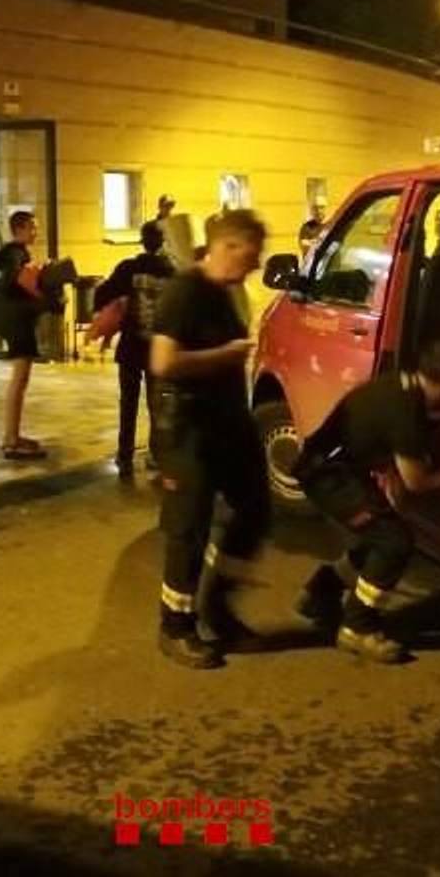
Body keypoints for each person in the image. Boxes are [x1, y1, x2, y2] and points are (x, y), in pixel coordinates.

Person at [150, 208, 272, 669]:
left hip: (227, 422)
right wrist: (225, 355)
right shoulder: (185, 292)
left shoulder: (227, 292)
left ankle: (217, 606)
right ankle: (175, 626)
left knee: (255, 508)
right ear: (228, 246)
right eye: (251, 255)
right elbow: (163, 362)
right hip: (188, 429)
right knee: (189, 528)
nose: (256, 265)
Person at [292, 339, 440, 663]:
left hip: (328, 467)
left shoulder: (402, 386)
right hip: (328, 478)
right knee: (394, 542)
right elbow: (416, 482)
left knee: (376, 536)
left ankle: (319, 594)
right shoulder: (406, 412)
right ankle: (358, 627)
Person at [94, 220, 177, 479]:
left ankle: (125, 456)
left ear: (142, 241)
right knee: (158, 405)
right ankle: (158, 455)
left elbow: (101, 295)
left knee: (128, 403)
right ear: (162, 242)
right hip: (158, 349)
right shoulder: (173, 272)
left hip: (131, 347)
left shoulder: (128, 269)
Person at [0, 209, 48, 459]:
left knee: (21, 378)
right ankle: (11, 439)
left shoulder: (16, 252)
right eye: (32, 227)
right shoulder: (14, 252)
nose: (36, 231)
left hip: (13, 315)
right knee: (20, 377)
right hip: (14, 317)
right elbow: (23, 281)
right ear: (19, 229)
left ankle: (13, 435)